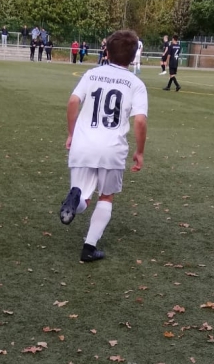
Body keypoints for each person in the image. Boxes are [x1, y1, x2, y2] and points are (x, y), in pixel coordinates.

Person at [58, 29, 148, 263]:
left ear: (106, 52)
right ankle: (89, 248)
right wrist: (139, 152)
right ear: (133, 57)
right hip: (111, 148)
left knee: (83, 197)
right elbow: (140, 120)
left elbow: (73, 101)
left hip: (83, 144)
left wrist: (71, 133)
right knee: (106, 196)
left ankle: (75, 200)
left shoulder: (91, 74)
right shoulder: (136, 84)